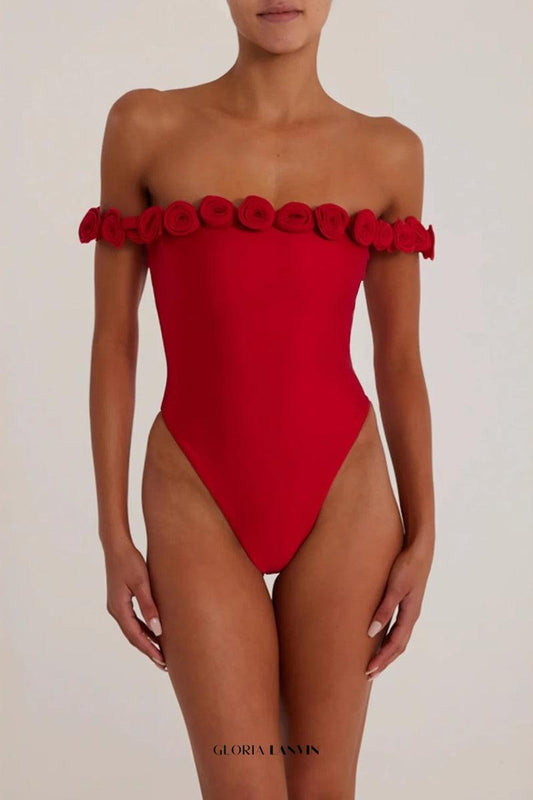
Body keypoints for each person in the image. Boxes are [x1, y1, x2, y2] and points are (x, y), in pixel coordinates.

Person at [78, 1, 436, 797]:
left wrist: (424, 535)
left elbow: (399, 359)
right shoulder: (146, 126)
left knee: (323, 789)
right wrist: (112, 534)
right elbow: (114, 342)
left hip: (345, 496)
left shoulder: (388, 151)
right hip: (194, 492)